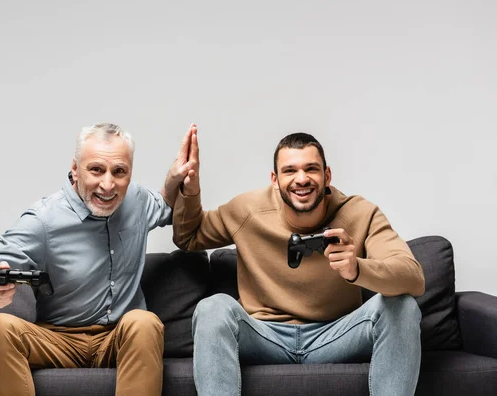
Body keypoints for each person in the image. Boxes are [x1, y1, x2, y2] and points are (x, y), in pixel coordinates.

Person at [173, 129, 425, 396]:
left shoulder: (360, 213)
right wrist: (190, 191)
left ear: (327, 175)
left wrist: (357, 269)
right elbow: (188, 237)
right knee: (212, 307)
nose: (301, 179)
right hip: (264, 335)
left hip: (336, 335)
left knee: (402, 306)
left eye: (311, 169)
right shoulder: (248, 210)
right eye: (290, 171)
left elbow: (414, 278)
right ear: (275, 179)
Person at [0, 122, 198, 396]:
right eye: (96, 169)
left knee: (145, 322)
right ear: (75, 168)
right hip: (58, 339)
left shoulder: (136, 201)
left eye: (119, 172)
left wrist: (174, 177)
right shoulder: (44, 220)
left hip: (120, 337)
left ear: (129, 174)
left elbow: (166, 206)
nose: (107, 184)